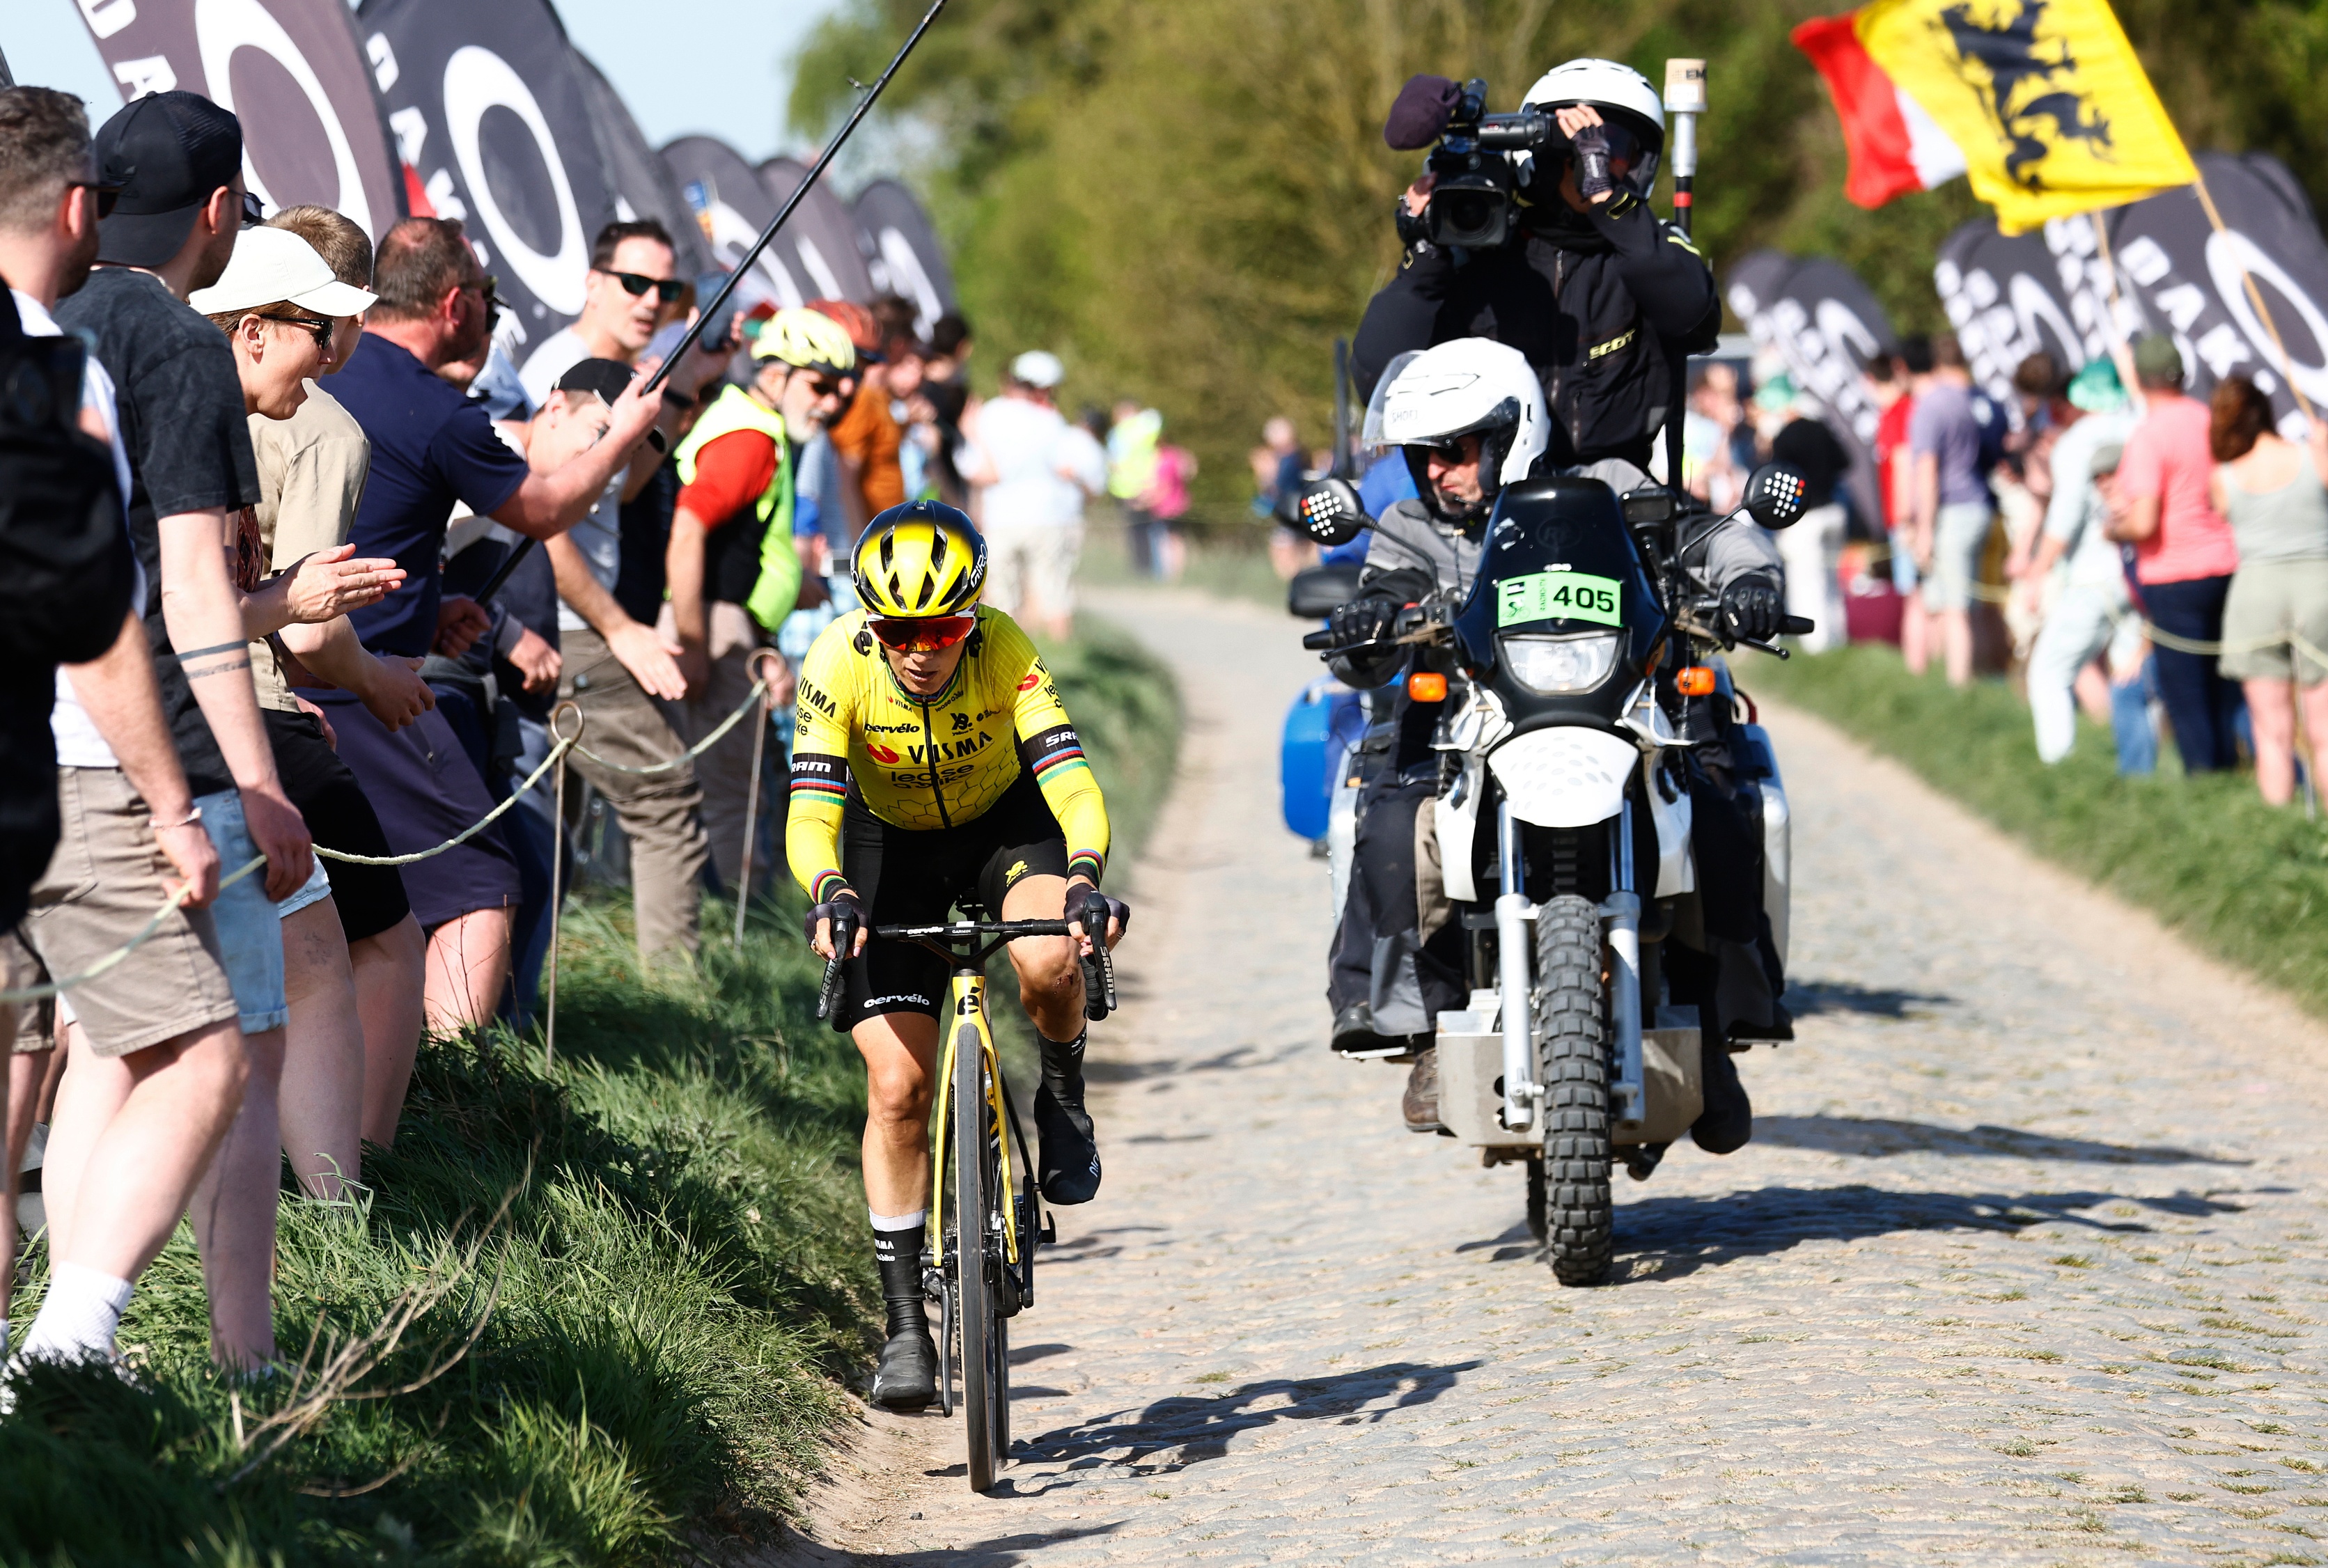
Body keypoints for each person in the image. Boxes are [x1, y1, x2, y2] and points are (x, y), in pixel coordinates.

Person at [1316, 338, 1778, 1154]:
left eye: (1453, 451)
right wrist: (1370, 618)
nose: (1435, 472)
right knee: (1391, 823)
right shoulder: (1408, 526)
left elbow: (1707, 537)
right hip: (1471, 728)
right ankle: (1424, 1033)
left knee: (1717, 810)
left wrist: (1749, 583)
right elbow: (1381, 589)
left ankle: (1709, 1029)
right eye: (1424, 455)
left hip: (1614, 711)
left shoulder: (1610, 490)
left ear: (1509, 433)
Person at [41, 88, 324, 1375]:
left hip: (46, 733)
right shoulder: (180, 348)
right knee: (243, 1054)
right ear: (220, 211)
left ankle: (62, 1330)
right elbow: (196, 584)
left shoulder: (45, 322)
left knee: (110, 1053)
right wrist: (257, 781)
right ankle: (239, 1359)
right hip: (167, 749)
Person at [790, 502, 1125, 1409]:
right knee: (896, 1091)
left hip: (999, 826)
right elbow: (811, 814)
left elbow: (1071, 784)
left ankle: (1061, 1094)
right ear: (872, 626)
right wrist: (829, 894)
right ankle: (906, 1329)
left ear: (970, 619)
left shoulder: (1006, 651)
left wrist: (1086, 881)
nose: (920, 649)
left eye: (942, 628)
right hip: (882, 848)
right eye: (900, 631)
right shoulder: (833, 663)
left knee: (1053, 957)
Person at [0, 82, 214, 1372]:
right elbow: (99, 612)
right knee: (198, 1045)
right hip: (43, 785)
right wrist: (176, 807)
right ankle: (66, 1358)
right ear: (80, 207)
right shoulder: (47, 369)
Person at [327, 215, 662, 1035]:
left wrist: (427, 605)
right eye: (486, 296)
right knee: (482, 887)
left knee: (356, 907)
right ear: (452, 304)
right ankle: (446, 1097)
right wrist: (618, 435)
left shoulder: (333, 367)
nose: (490, 310)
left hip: (299, 668)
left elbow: (351, 530)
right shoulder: (436, 410)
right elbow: (543, 509)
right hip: (366, 686)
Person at [187, 219, 403, 1366]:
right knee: (193, 1039)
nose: (330, 351)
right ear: (250, 324)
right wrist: (299, 611)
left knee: (288, 976)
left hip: (215, 733)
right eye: (314, 328)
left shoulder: (188, 399)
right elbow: (186, 620)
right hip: (166, 745)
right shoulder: (189, 411)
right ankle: (136, 1328)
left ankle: (277, 1291)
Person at [1352, 61, 1719, 470]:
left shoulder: (1652, 246)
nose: (1588, 160)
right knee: (1397, 529)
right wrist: (1424, 257)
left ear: (1640, 163)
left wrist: (1610, 202)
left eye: (1609, 148)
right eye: (1573, 145)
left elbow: (1694, 319)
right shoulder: (1484, 254)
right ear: (1540, 155)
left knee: (1733, 539)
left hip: (1612, 490)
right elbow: (1377, 385)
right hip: (1491, 490)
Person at [666, 308, 857, 893]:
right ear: (775, 377)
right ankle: (728, 942)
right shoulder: (749, 436)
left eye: (842, 391)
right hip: (713, 626)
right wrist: (695, 644)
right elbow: (688, 532)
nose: (831, 403)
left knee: (733, 788)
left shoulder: (759, 425)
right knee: (729, 795)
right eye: (820, 385)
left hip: (736, 626)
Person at [2110, 334, 2243, 773]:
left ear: (2141, 381)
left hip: (2175, 575)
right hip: (2226, 565)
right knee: (2226, 689)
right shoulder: (2209, 419)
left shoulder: (2148, 435)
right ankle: (2243, 780)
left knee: (2187, 696)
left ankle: (2207, 790)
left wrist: (2113, 529)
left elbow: (2144, 522)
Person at [2208, 375, 2328, 803]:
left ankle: (2277, 833)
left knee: (2271, 731)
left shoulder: (2224, 475)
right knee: (2325, 732)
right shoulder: (2312, 456)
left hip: (2256, 595)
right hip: (2319, 588)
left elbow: (2225, 516)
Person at [2020, 360, 2138, 765]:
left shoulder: (2075, 443)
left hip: (2093, 575)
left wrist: (2036, 575)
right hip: (2138, 570)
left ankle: (2060, 769)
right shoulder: (2140, 425)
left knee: (2048, 673)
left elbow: (2065, 517)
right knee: (2129, 675)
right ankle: (2141, 770)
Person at [1905, 334, 1994, 686]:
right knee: (1961, 606)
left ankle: (1959, 688)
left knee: (1954, 610)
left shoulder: (1930, 406)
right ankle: (1963, 682)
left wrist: (1923, 530)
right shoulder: (1964, 399)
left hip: (1952, 512)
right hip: (1975, 505)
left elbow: (1926, 472)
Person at [968, 351, 1079, 632]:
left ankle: (1009, 661)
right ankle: (1061, 657)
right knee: (1054, 593)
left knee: (1003, 600)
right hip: (1047, 516)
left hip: (1002, 516)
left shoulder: (989, 413)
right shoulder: (1051, 420)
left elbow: (978, 465)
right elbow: (1065, 467)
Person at [1767, 390, 1850, 653]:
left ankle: (1817, 644)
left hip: (1804, 519)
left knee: (1807, 581)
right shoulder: (1825, 431)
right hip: (1832, 511)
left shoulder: (1786, 436)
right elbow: (1845, 462)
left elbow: (1778, 479)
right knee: (1830, 580)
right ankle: (1837, 639)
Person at [1107, 400, 1164, 575]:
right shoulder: (1145, 428)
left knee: (1137, 532)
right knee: (1151, 530)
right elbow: (1156, 418)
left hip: (1126, 488)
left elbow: (1114, 462)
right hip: (1148, 485)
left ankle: (1142, 570)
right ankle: (1152, 570)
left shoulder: (1120, 433)